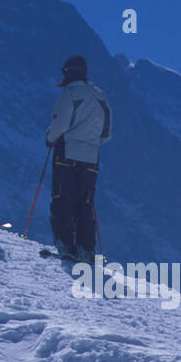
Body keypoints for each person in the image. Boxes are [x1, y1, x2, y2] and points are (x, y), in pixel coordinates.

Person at [44, 55, 112, 260]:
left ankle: (66, 246)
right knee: (84, 203)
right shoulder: (101, 96)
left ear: (67, 73)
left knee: (62, 199)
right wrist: (90, 142)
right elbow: (107, 132)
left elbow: (60, 124)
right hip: (91, 157)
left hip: (67, 153)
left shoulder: (69, 93)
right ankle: (87, 250)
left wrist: (50, 137)